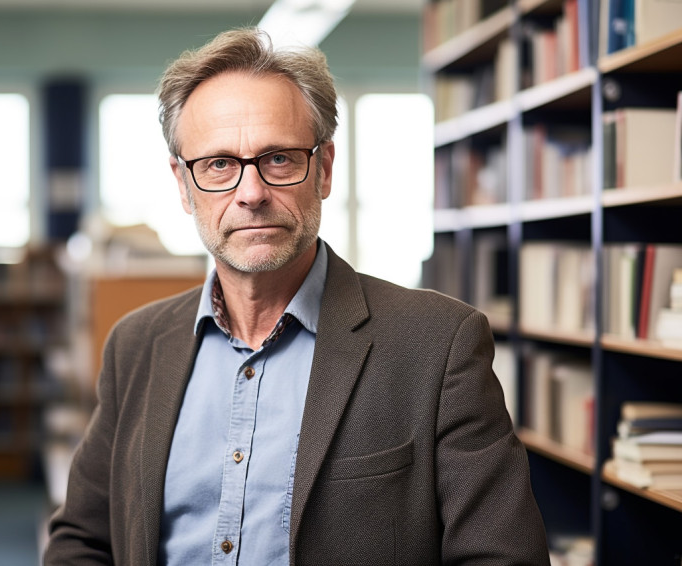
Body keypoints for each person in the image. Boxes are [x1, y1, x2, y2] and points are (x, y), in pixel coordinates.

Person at [45, 27, 550, 566]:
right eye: (219, 164)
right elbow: (83, 540)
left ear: (325, 169)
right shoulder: (136, 345)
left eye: (280, 159)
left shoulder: (438, 346)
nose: (251, 192)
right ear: (183, 185)